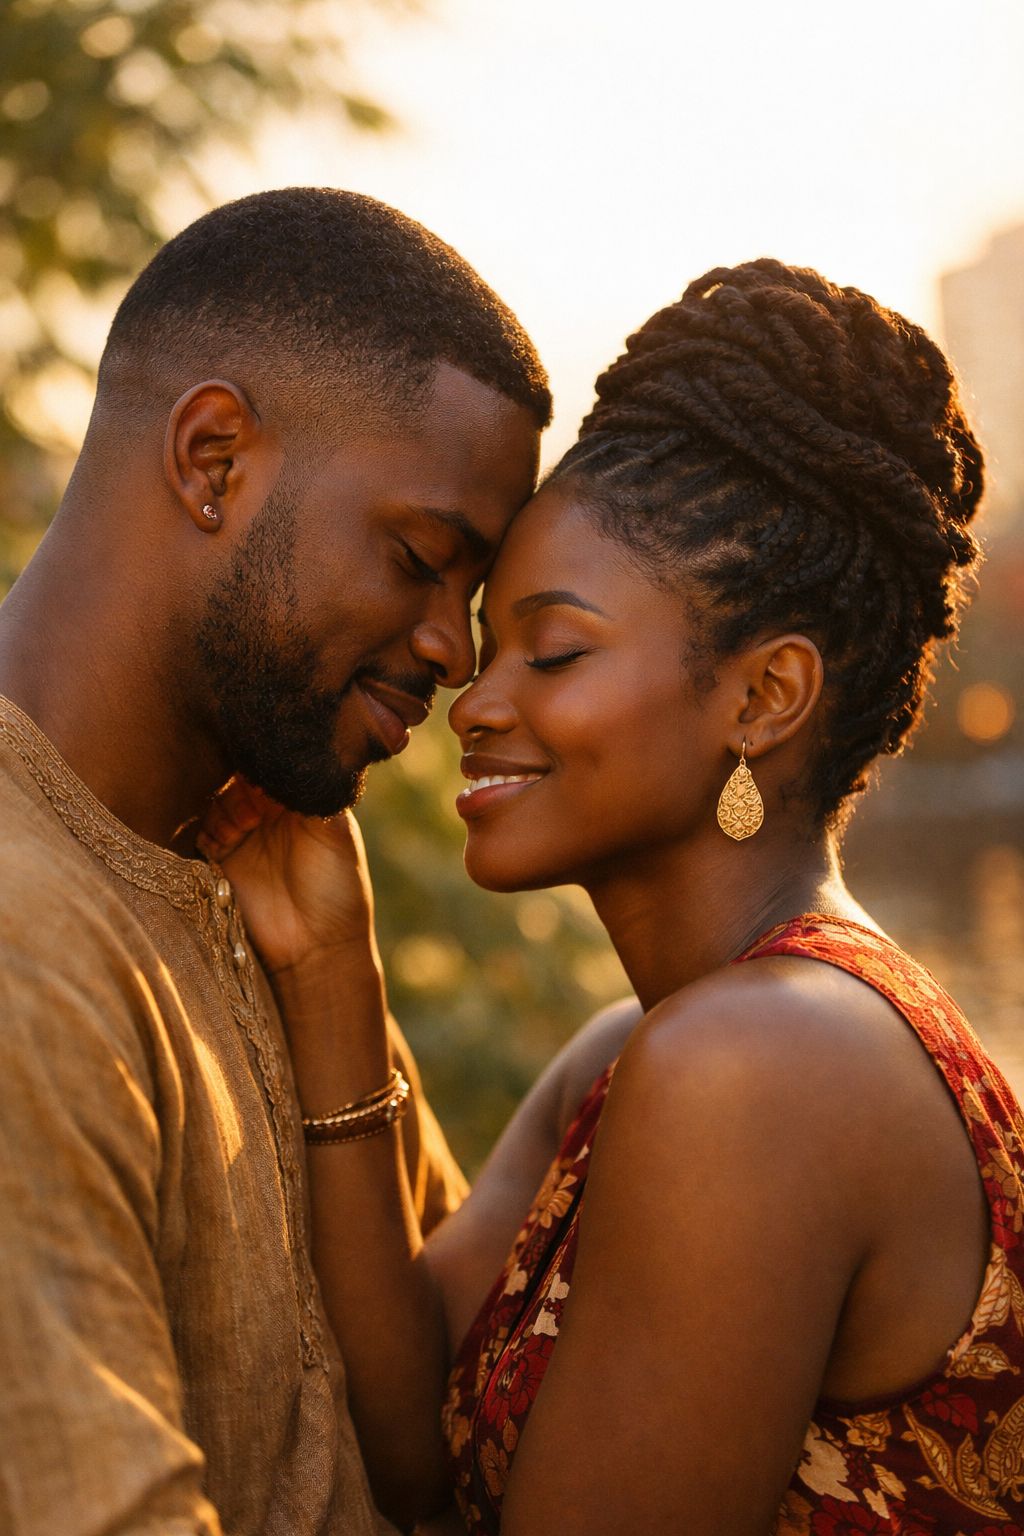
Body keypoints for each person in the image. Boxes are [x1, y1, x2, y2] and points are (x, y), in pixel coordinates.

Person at [203, 258, 1023, 1536]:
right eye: (486, 645)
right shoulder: (637, 1053)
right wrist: (328, 971)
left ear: (763, 698)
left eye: (557, 650)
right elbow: (413, 1437)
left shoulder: (762, 1066)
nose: (474, 701)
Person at [0, 186, 551, 1535]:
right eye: (424, 560)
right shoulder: (23, 940)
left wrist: (339, 1005)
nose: (455, 652)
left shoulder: (270, 870)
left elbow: (435, 1421)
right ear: (213, 460)